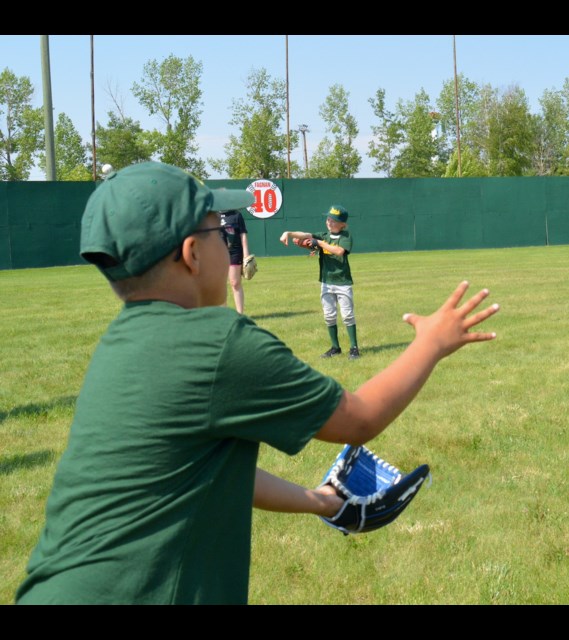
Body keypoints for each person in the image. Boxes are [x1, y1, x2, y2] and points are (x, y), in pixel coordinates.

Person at [15, 162, 498, 604]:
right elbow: (360, 417)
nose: (226, 238)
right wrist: (431, 342)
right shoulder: (217, 342)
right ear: (191, 254)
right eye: (218, 229)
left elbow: (205, 475)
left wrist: (322, 503)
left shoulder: (120, 346)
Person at [280, 205, 360, 359]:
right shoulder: (323, 235)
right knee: (329, 315)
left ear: (342, 223)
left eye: (334, 220)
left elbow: (339, 251)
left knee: (347, 315)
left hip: (342, 282)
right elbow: (304, 235)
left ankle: (354, 348)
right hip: (326, 281)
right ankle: (335, 347)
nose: (329, 222)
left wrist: (319, 243)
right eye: (328, 218)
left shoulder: (345, 236)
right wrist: (289, 233)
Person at [220, 208, 249, 314]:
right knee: (220, 284)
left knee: (235, 282)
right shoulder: (212, 216)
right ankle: (223, 313)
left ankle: (240, 314)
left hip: (234, 252)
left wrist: (246, 255)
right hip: (217, 253)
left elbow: (243, 235)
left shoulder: (236, 215)